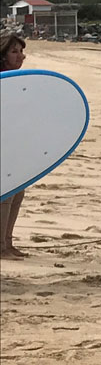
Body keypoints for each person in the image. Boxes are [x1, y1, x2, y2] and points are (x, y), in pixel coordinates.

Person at [1, 33, 28, 259]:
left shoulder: (22, 81)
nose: (20, 56)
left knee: (18, 192)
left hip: (14, 145)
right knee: (5, 194)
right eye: (14, 52)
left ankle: (7, 242)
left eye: (21, 51)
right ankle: (0, 246)